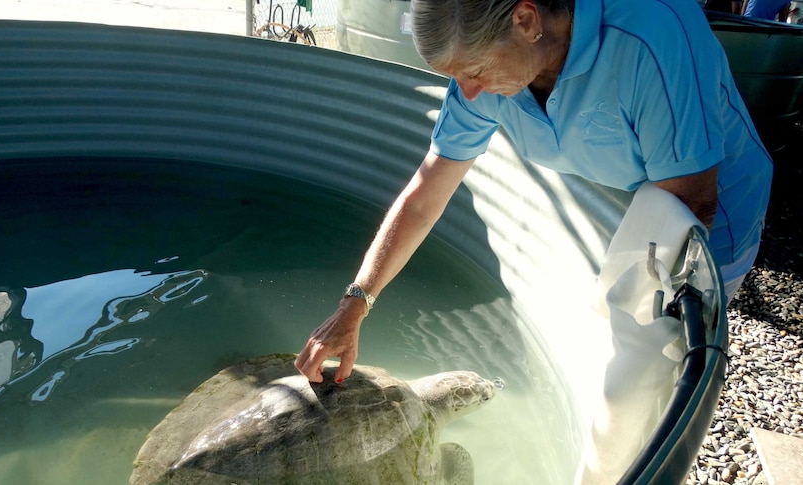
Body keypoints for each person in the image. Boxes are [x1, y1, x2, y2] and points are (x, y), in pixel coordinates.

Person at [295, 0, 773, 383]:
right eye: (457, 77)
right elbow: (424, 197)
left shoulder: (652, 34)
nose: (470, 93)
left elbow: (692, 202)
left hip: (714, 213)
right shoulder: (489, 79)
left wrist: (642, 345)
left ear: (526, 20)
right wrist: (355, 304)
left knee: (660, 362)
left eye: (476, 69)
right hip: (635, 200)